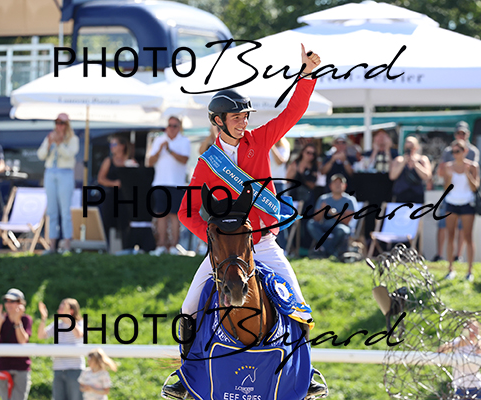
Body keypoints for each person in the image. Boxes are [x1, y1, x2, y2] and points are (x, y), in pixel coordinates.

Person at [170, 45, 325, 399]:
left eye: (245, 116)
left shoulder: (260, 140)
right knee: (189, 307)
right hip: (225, 250)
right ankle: (185, 376)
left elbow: (293, 112)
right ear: (218, 121)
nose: (244, 122)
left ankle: (307, 373)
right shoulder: (206, 164)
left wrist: (307, 75)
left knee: (300, 305)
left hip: (264, 243)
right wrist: (214, 240)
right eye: (237, 117)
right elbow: (185, 213)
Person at [434, 121, 481, 262]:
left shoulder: (473, 154)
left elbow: (474, 182)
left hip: (467, 198)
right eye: (458, 133)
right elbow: (443, 176)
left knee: (465, 232)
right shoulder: (448, 152)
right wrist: (447, 173)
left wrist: (465, 172)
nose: (461, 135)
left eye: (463, 133)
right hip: (451, 197)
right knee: (445, 228)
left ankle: (459, 257)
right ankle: (441, 257)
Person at [145, 116, 190, 256]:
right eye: (169, 125)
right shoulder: (159, 140)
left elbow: (184, 159)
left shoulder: (184, 141)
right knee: (161, 214)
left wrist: (169, 150)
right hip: (160, 182)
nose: (171, 128)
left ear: (179, 127)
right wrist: (160, 150)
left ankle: (173, 246)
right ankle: (161, 245)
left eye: (174, 125)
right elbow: (150, 162)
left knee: (175, 215)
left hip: (177, 184)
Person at [37, 113, 79, 254]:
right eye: (57, 122)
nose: (59, 126)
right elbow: (41, 155)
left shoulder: (73, 139)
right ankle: (52, 245)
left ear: (67, 125)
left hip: (65, 173)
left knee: (66, 211)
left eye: (62, 123)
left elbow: (69, 154)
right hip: (50, 173)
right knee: (52, 211)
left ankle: (67, 244)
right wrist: (50, 143)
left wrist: (59, 143)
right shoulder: (50, 137)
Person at [442, 140, 480, 281]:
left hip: (467, 203)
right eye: (453, 152)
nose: (455, 154)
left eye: (457, 151)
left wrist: (467, 173)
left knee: (468, 237)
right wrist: (450, 176)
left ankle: (469, 271)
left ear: (465, 151)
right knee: (450, 235)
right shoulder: (448, 166)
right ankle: (450, 269)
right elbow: (446, 188)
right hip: (451, 203)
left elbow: (475, 187)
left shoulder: (473, 166)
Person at [0, 288, 33, 400]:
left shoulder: (26, 319)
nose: (8, 304)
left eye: (12, 301)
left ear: (20, 303)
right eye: (6, 301)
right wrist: (0, 321)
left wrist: (17, 321)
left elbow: (22, 341)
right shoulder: (0, 319)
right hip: (4, 366)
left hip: (21, 367)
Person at [38, 299, 84, 400]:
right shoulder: (57, 325)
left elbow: (78, 334)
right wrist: (43, 318)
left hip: (75, 370)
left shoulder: (80, 323)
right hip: (58, 369)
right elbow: (41, 335)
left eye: (62, 308)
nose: (58, 311)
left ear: (71, 310)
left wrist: (68, 318)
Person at [97, 135, 138, 245]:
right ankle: (106, 247)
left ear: (122, 146)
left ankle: (126, 247)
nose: (112, 147)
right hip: (110, 196)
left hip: (125, 198)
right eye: (111, 145)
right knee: (107, 222)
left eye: (114, 144)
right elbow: (100, 179)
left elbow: (136, 179)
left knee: (124, 224)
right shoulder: (108, 161)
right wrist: (114, 183)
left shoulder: (130, 162)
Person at [307, 174, 357, 260]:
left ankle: (326, 251)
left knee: (341, 230)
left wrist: (333, 213)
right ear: (330, 186)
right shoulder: (323, 198)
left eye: (340, 183)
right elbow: (316, 219)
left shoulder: (349, 200)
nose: (337, 185)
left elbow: (347, 221)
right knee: (311, 224)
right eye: (335, 183)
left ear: (345, 186)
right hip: (325, 226)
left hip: (340, 227)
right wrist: (322, 210)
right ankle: (331, 250)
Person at [437, 319, 481, 400]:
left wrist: (478, 340)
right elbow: (440, 351)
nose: (473, 332)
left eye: (476, 329)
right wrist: (459, 343)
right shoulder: (458, 342)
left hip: (476, 387)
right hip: (460, 387)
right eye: (470, 329)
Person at [389, 136, 432, 204]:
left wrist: (416, 164)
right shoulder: (398, 160)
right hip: (401, 193)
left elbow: (427, 176)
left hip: (417, 194)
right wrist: (403, 162)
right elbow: (392, 176)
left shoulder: (422, 159)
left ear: (416, 147)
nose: (410, 150)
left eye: (412, 147)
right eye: (408, 147)